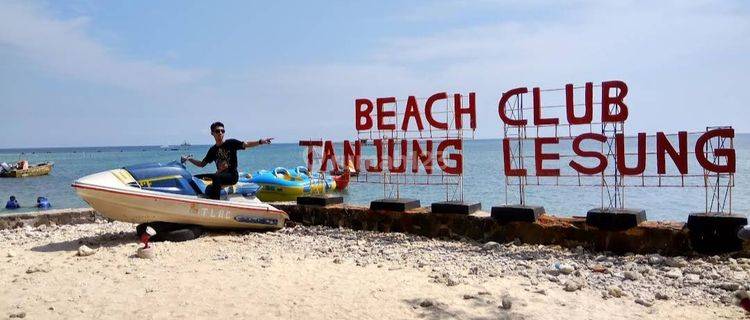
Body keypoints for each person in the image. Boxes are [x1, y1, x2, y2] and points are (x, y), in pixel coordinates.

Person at [182, 121, 273, 200]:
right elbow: (201, 164)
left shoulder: (230, 143)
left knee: (216, 177)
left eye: (222, 131)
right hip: (220, 176)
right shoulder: (212, 150)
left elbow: (246, 144)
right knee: (197, 177)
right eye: (217, 131)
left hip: (232, 176)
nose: (220, 133)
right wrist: (189, 159)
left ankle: (216, 203)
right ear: (212, 133)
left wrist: (261, 141)